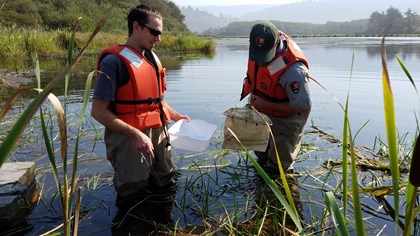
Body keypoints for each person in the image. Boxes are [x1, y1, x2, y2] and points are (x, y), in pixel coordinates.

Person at [91, 4, 190, 199]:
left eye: (160, 33)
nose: (158, 39)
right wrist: (135, 135)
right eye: (154, 32)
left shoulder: (152, 58)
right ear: (136, 26)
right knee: (133, 191)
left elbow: (156, 100)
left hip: (158, 132)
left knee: (166, 181)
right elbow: (98, 111)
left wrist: (175, 115)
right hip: (129, 139)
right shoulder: (113, 62)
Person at [240, 21, 311, 174]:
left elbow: (302, 106)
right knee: (261, 150)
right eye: (257, 56)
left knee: (278, 169)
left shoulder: (294, 70)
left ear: (276, 44)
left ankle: (280, 193)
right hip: (262, 108)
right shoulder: (259, 44)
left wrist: (266, 104)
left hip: (287, 116)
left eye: (264, 57)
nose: (260, 62)